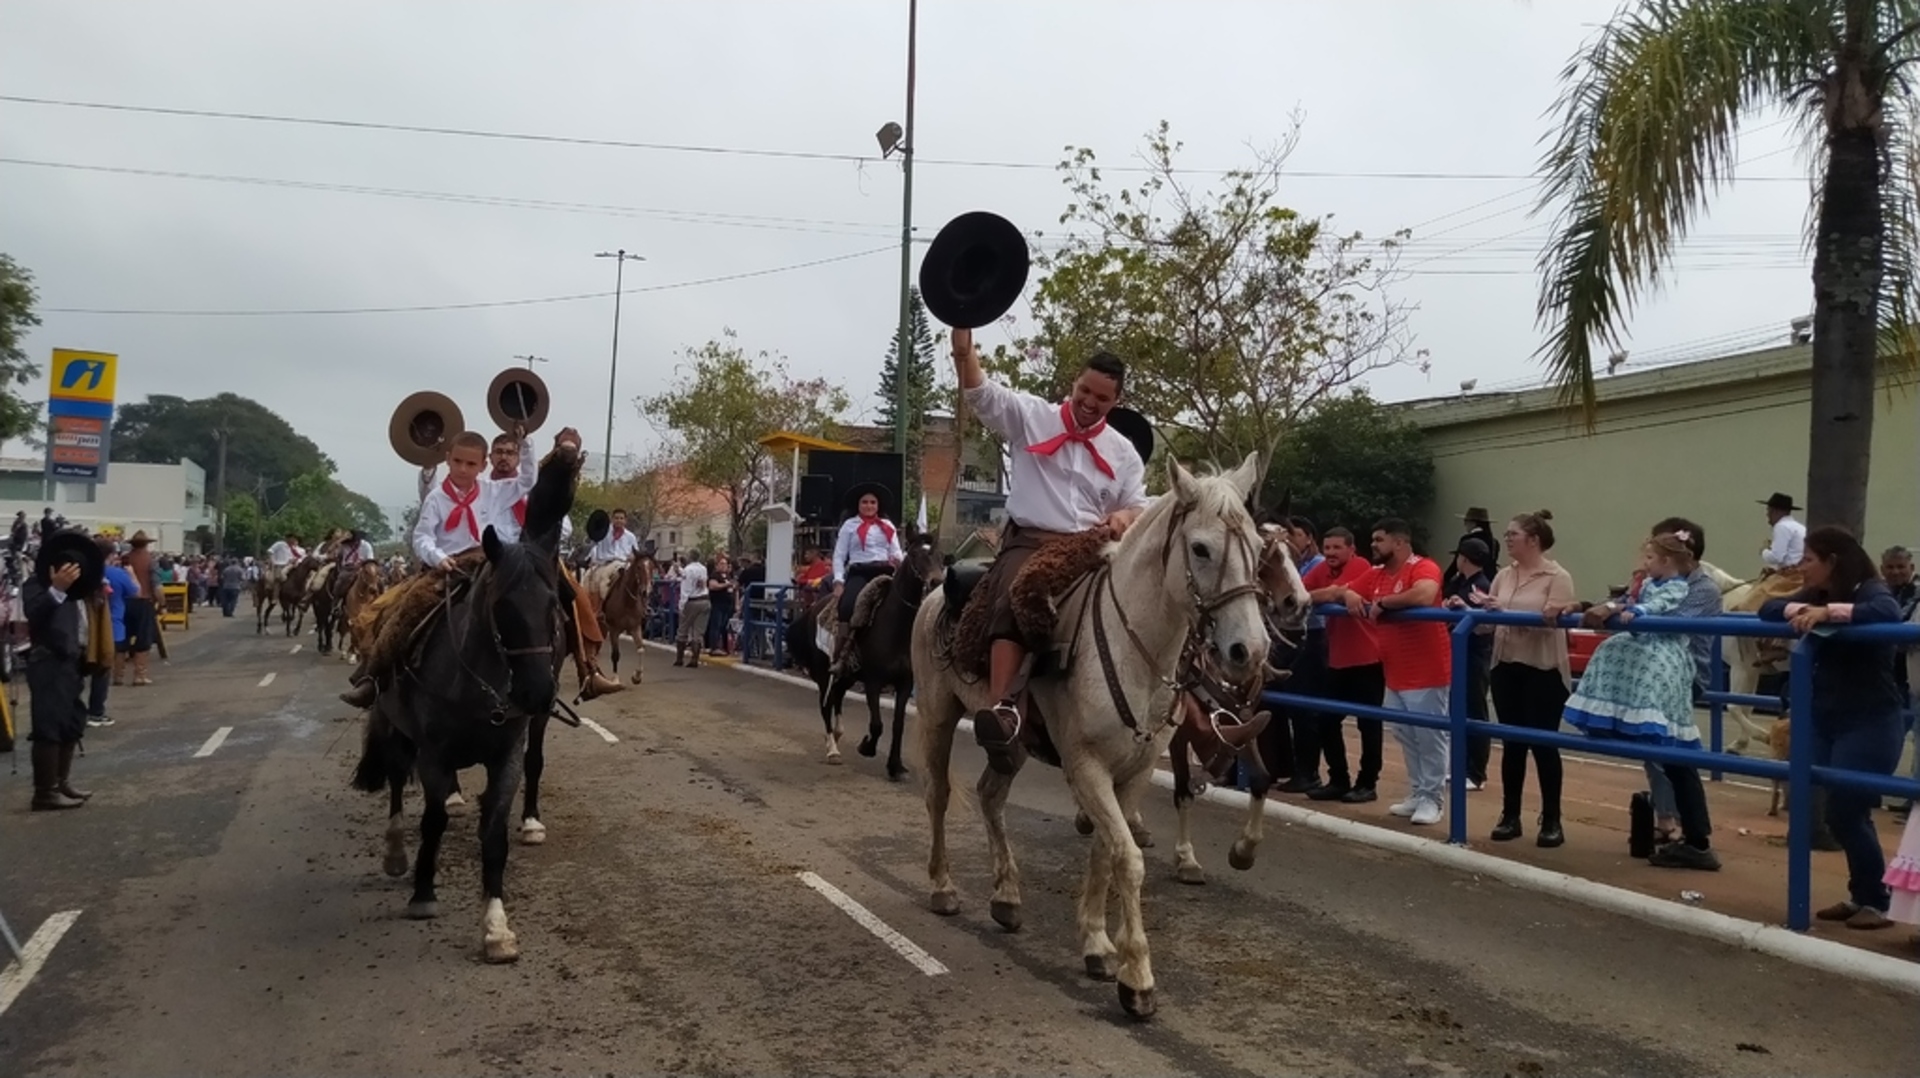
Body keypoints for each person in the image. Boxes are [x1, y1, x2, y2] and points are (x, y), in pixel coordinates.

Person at [952, 327, 1150, 775]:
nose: (1089, 402)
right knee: (1021, 589)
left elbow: (1138, 504)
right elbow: (982, 394)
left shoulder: (1124, 453)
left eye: (1101, 397)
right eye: (1084, 390)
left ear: (1113, 401)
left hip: (1092, 547)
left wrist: (1124, 518)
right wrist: (963, 350)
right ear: (1074, 385)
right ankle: (1005, 709)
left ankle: (1180, 714)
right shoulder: (1031, 416)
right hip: (1032, 540)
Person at [1760, 526, 1908, 929]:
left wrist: (1830, 614)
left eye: (1809, 559)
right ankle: (1864, 895)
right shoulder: (1815, 593)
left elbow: (1886, 614)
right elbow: (1768, 610)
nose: (1802, 566)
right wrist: (1803, 610)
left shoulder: (1869, 589)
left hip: (1871, 719)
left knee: (1847, 809)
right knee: (1839, 811)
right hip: (1828, 718)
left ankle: (1876, 900)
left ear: (1832, 562)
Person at [339, 426, 538, 708]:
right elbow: (422, 537)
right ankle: (373, 677)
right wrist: (437, 557)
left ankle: (537, 671)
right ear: (448, 459)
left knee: (527, 602)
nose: (463, 469)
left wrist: (525, 443)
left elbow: (528, 479)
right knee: (405, 609)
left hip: (486, 563)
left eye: (471, 464)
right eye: (457, 461)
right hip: (447, 567)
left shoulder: (494, 491)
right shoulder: (436, 498)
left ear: (484, 465)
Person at [1567, 533, 1720, 870]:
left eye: (1652, 557)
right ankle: (1677, 827)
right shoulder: (1653, 580)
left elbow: (1670, 621)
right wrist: (1598, 606)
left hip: (1677, 669)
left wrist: (1630, 610)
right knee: (1662, 755)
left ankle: (1691, 835)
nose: (1645, 563)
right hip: (1652, 661)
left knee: (1673, 754)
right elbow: (1625, 599)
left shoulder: (1699, 588)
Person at [486, 432, 617, 699]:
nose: (504, 458)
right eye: (499, 452)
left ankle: (588, 669)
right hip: (494, 553)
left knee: (573, 594)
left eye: (510, 452)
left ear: (518, 456)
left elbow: (563, 523)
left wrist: (542, 538)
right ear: (490, 457)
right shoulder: (480, 486)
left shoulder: (531, 484)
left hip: (535, 554)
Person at [1477, 511, 1578, 847]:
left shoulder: (1557, 576)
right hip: (1506, 665)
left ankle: (1551, 819)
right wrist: (1475, 612)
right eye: (1506, 534)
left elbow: (1549, 621)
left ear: (1533, 540)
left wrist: (1504, 615)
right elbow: (1489, 623)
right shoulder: (1503, 575)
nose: (1507, 539)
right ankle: (1510, 815)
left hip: (1542, 669)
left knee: (1544, 744)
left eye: (1513, 534)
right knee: (1512, 744)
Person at [1345, 518, 1452, 826]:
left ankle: (1433, 799)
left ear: (1400, 542)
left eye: (1380, 540)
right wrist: (1349, 594)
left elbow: (1423, 594)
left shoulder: (1423, 566)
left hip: (1427, 670)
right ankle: (1419, 792)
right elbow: (1344, 591)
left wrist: (1385, 602)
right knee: (1406, 734)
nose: (1374, 545)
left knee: (1430, 737)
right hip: (1395, 671)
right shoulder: (1377, 573)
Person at [1299, 526, 1387, 804]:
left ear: (1351, 549)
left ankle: (1367, 783)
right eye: (1327, 548)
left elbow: (1333, 593)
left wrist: (1337, 592)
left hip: (1367, 658)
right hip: (1337, 659)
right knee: (1326, 719)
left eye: (1337, 548)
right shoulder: (1323, 568)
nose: (1331, 553)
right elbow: (1300, 594)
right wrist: (1336, 592)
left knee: (1368, 724)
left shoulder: (1361, 565)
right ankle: (1338, 779)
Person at [23, 531, 96, 810]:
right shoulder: (37, 584)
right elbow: (34, 612)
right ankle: (45, 792)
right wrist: (56, 589)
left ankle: (61, 782)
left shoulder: (80, 591)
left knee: (71, 722)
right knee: (49, 726)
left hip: (71, 663)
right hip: (49, 662)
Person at [827, 484, 904, 676]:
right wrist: (838, 581)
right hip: (860, 571)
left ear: (878, 505)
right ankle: (842, 656)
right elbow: (839, 556)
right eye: (865, 502)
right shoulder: (849, 526)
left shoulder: (888, 526)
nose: (869, 506)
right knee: (847, 606)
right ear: (858, 505)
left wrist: (899, 560)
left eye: (872, 502)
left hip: (885, 572)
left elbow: (896, 552)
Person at [1442, 535, 1496, 791]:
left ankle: (1476, 773)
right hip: (1459, 653)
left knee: (1474, 711)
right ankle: (1461, 767)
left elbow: (1483, 623)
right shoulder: (1459, 583)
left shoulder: (1479, 586)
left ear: (1464, 559)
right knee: (1458, 710)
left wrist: (1462, 608)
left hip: (1474, 654)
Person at [91, 539, 139, 728]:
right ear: (111, 555)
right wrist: (132, 574)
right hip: (113, 626)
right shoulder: (118, 573)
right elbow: (136, 592)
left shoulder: (87, 572)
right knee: (102, 671)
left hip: (87, 628)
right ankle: (96, 711)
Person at [122, 530, 159, 686]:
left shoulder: (125, 559)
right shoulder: (150, 560)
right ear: (146, 544)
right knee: (143, 639)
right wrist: (161, 602)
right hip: (143, 601)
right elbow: (156, 585)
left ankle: (118, 675)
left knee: (122, 638)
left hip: (124, 602)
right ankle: (139, 675)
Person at [675, 549, 711, 668]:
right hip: (704, 599)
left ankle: (679, 658)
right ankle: (694, 658)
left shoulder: (688, 570)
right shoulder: (703, 569)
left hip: (692, 601)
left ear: (690, 557)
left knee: (683, 629)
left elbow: (685, 588)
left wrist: (681, 606)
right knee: (698, 632)